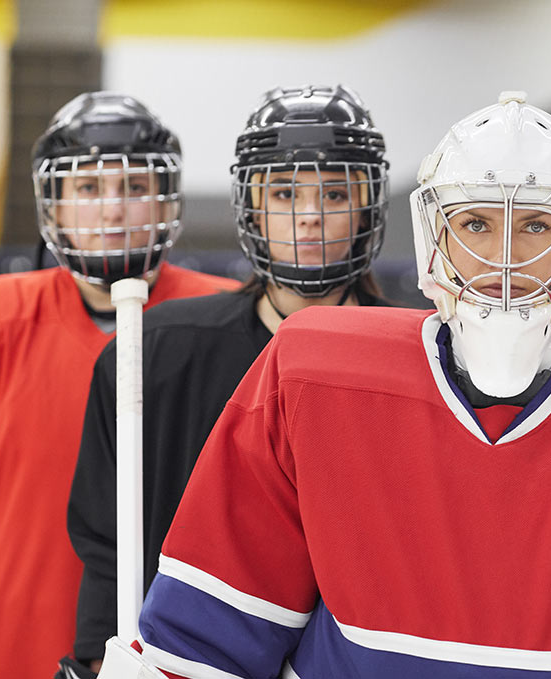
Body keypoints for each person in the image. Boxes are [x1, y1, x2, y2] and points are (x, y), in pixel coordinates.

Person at [94, 92, 551, 679]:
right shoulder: (312, 376)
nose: (506, 260)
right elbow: (206, 643)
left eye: (538, 226)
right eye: (477, 224)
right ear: (434, 237)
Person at [61, 84, 392, 677]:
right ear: (252, 207)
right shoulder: (154, 350)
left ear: (370, 207)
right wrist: (94, 658)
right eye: (286, 192)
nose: (310, 215)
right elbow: (106, 540)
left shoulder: (417, 362)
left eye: (336, 192)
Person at [0, 92, 238, 679]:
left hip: (174, 650)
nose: (113, 211)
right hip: (10, 643)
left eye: (136, 189)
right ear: (55, 205)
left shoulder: (228, 317)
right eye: (88, 189)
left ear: (166, 200)